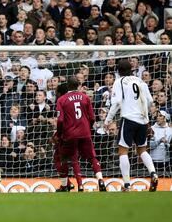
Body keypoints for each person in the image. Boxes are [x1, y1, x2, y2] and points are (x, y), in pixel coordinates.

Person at [104, 59, 159, 192]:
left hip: (128, 119)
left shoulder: (119, 82)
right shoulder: (140, 81)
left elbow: (116, 103)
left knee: (123, 151)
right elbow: (151, 101)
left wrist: (108, 120)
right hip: (142, 120)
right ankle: (153, 173)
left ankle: (127, 185)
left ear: (118, 71)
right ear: (132, 69)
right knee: (142, 150)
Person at [56, 76, 106, 192]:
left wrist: (59, 134)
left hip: (70, 134)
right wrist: (88, 127)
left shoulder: (62, 100)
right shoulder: (85, 98)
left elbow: (60, 120)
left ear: (68, 85)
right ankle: (101, 180)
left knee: (65, 157)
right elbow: (92, 117)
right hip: (85, 132)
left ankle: (67, 185)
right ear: (78, 85)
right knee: (92, 157)